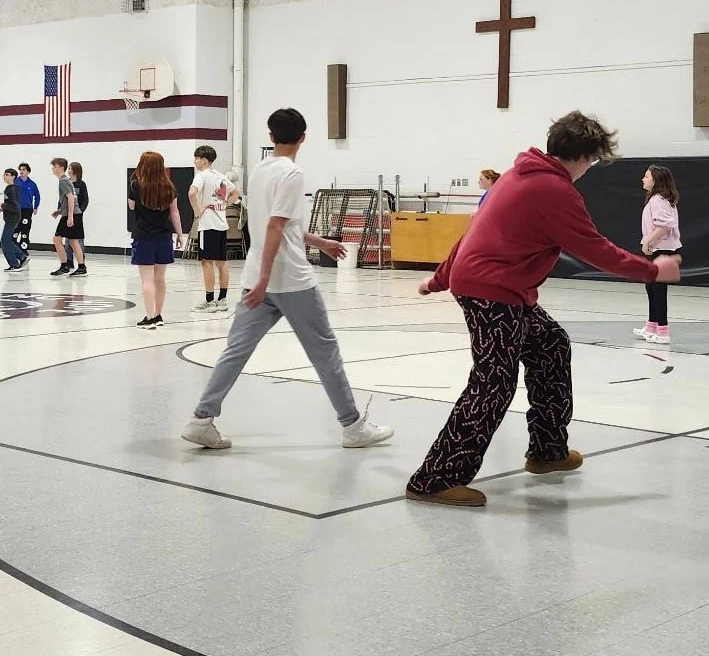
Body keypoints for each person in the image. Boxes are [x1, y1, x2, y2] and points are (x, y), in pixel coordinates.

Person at [408, 111, 680, 508]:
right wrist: (653, 269)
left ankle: (548, 450)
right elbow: (594, 249)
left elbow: (472, 234)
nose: (591, 167)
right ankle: (435, 478)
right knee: (493, 382)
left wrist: (440, 278)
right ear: (585, 157)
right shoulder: (553, 190)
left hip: (500, 287)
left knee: (551, 344)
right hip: (492, 292)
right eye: (594, 159)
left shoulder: (519, 175)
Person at [181, 109, 393, 452]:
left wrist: (319, 242)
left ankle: (200, 420)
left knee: (235, 351)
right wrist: (267, 278)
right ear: (303, 137)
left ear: (270, 136)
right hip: (289, 281)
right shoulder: (293, 174)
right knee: (325, 352)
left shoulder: (262, 171)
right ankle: (353, 426)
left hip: (255, 280)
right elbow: (274, 227)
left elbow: (282, 223)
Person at [127, 151, 184, 328]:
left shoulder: (136, 185)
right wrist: (180, 234)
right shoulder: (169, 187)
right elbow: (174, 212)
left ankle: (149, 316)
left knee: (147, 280)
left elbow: (131, 206)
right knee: (160, 278)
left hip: (143, 236)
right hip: (164, 236)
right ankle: (158, 314)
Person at [635, 164, 681, 345]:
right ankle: (651, 327)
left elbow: (664, 226)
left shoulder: (658, 200)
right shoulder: (658, 198)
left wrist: (648, 241)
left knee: (658, 291)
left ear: (656, 180)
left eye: (647, 176)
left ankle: (663, 332)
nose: (643, 179)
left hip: (662, 250)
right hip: (658, 249)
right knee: (652, 288)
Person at [190, 144, 237, 313]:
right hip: (221, 224)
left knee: (206, 263)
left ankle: (209, 301)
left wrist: (197, 212)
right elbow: (235, 193)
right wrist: (224, 204)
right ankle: (222, 300)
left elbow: (191, 193)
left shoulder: (202, 176)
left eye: (196, 158)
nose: (195, 161)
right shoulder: (221, 176)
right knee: (222, 263)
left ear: (203, 160)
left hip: (208, 224)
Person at [49, 158, 85, 276]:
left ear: (60, 167)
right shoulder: (66, 180)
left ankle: (65, 266)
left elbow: (70, 198)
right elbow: (70, 199)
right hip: (73, 213)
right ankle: (81, 267)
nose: (53, 169)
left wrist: (69, 216)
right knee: (74, 241)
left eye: (54, 167)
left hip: (72, 215)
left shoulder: (63, 181)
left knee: (57, 240)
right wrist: (60, 211)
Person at [61, 161, 89, 274]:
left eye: (71, 169)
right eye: (69, 169)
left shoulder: (81, 184)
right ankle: (69, 261)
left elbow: (85, 200)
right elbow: (63, 198)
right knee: (67, 240)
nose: (69, 171)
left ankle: (81, 263)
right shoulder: (66, 183)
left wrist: (80, 211)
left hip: (77, 215)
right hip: (67, 215)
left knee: (78, 240)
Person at [0, 169, 26, 272]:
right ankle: (21, 257)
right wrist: (3, 208)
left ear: (13, 177)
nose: (4, 176)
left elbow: (15, 206)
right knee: (7, 240)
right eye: (4, 174)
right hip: (11, 217)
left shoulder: (12, 189)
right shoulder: (9, 189)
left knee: (5, 241)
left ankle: (15, 264)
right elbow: (12, 204)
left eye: (7, 175)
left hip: (13, 218)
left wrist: (2, 205)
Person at [15, 163, 40, 259]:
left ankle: (23, 249)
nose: (21, 171)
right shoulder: (15, 182)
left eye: (24, 169)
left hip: (27, 210)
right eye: (20, 169)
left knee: (25, 230)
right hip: (16, 210)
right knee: (16, 229)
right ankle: (14, 249)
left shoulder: (32, 184)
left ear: (28, 172)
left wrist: (35, 206)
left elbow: (37, 196)